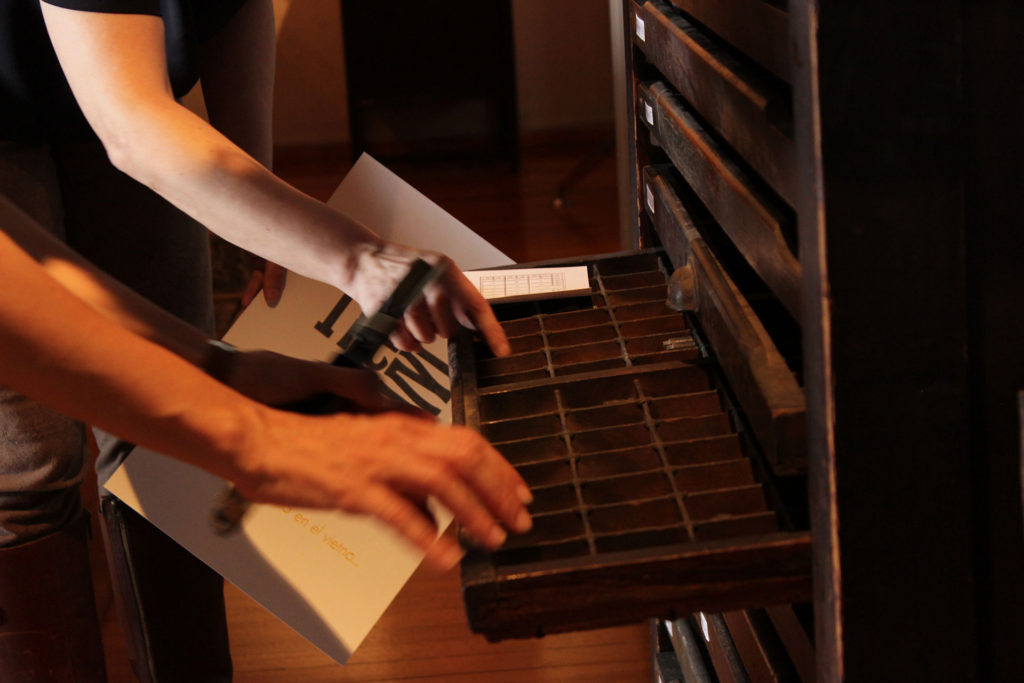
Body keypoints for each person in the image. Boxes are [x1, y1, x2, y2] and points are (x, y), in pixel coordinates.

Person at [0, 0, 517, 680]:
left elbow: (229, 9)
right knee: (30, 461)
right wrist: (256, 432)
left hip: (104, 83)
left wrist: (216, 368)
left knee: (163, 443)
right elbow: (126, 130)